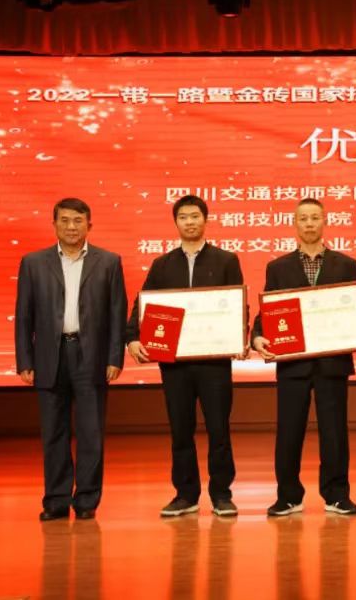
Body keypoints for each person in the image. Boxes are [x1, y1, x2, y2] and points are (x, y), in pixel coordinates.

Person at [126, 195, 244, 518]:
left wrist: (239, 337)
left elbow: (237, 304)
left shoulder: (226, 260)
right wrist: (133, 337)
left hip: (214, 362)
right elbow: (143, 304)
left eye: (195, 216)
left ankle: (221, 494)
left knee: (219, 430)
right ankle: (185, 494)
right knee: (181, 430)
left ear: (205, 219)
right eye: (183, 217)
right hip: (175, 364)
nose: (190, 222)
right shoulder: (162, 264)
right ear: (175, 222)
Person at [252, 198, 356, 517]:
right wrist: (257, 336)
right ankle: (288, 496)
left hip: (333, 362)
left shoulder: (346, 264)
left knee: (335, 432)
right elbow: (268, 312)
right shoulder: (278, 267)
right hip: (293, 363)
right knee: (289, 432)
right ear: (295, 224)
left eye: (314, 218)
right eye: (303, 218)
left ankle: (337, 495)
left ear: (324, 221)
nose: (309, 223)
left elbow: (354, 308)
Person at [15, 198, 127, 521]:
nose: (71, 227)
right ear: (54, 225)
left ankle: (87, 500)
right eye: (64, 220)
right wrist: (25, 359)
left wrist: (115, 357)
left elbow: (117, 314)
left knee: (91, 432)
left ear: (89, 225)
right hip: (50, 355)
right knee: (54, 431)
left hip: (91, 355)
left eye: (78, 221)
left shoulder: (109, 262)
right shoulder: (33, 263)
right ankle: (56, 500)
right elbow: (23, 316)